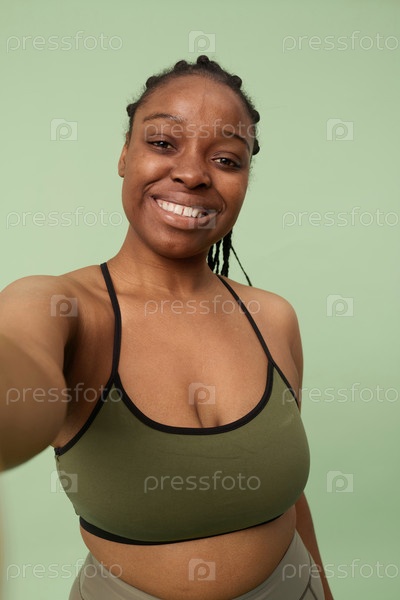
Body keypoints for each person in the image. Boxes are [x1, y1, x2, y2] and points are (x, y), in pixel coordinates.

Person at [0, 55, 333, 600]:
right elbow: (17, 370)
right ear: (124, 155)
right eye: (162, 142)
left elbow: (287, 496)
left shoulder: (272, 317)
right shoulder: (62, 306)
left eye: (226, 158)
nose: (194, 173)